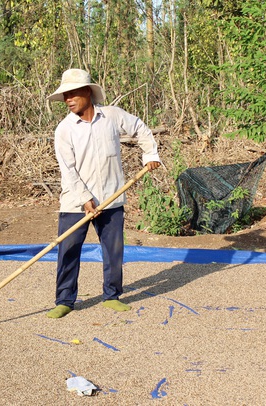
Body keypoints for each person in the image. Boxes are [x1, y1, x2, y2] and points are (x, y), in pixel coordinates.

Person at [45, 68, 161, 319]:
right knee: (68, 250)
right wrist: (85, 199)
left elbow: (140, 128)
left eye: (72, 93)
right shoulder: (64, 130)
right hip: (76, 202)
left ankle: (112, 295)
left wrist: (150, 154)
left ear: (88, 92)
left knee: (114, 249)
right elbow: (68, 170)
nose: (68, 99)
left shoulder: (112, 116)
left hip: (111, 196)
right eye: (65, 96)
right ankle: (64, 299)